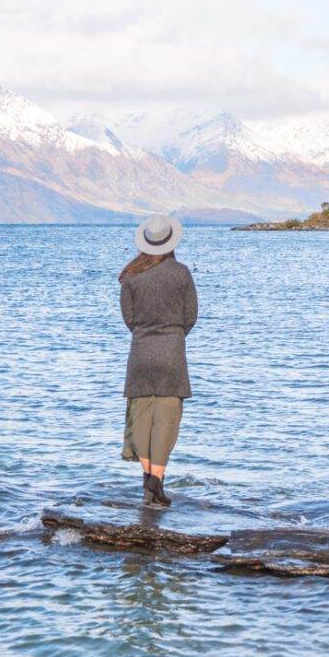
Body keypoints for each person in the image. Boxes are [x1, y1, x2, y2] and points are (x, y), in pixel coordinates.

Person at [118, 213, 198, 508]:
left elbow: (129, 319)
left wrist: (146, 335)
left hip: (140, 353)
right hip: (172, 353)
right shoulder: (182, 273)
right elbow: (191, 317)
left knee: (141, 416)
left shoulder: (131, 276)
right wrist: (173, 336)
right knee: (166, 420)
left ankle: (148, 481)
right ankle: (157, 483)